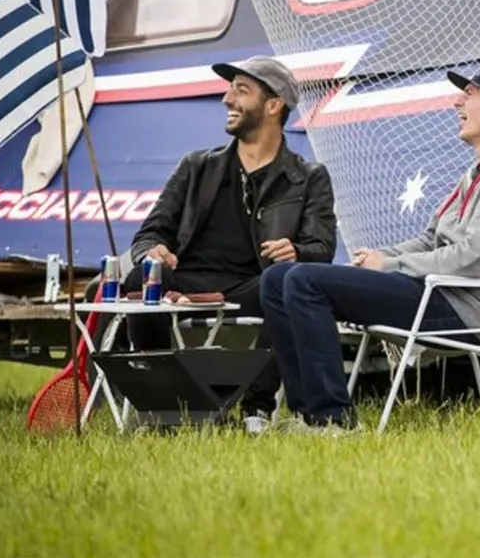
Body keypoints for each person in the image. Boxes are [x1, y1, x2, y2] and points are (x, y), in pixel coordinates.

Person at [259, 62, 480, 431]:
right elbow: (432, 239)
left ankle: (332, 421)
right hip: (436, 290)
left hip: (463, 308)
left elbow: (474, 261)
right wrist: (383, 257)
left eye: (469, 94)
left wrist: (390, 267)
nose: (456, 103)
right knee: (276, 279)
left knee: (305, 282)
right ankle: (308, 415)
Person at [121, 54, 338, 430]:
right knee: (143, 278)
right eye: (229, 89)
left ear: (273, 106)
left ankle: (257, 410)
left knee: (284, 284)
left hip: (255, 285)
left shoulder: (309, 177)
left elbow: (322, 250)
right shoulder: (196, 166)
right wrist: (151, 251)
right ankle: (168, 406)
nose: (227, 99)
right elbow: (150, 232)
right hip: (189, 280)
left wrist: (297, 251)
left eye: (241, 90)